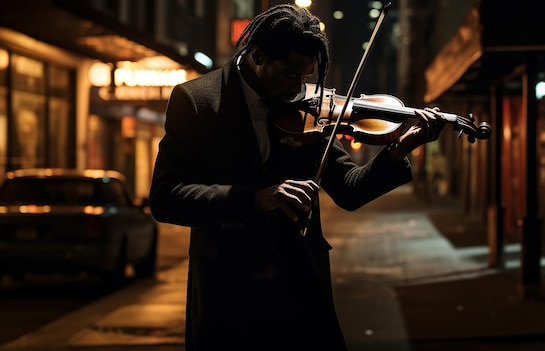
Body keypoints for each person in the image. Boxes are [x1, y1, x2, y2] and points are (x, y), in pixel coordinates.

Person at [149, 4, 444, 350]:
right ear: (258, 55)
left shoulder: (308, 113)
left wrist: (399, 149)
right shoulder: (197, 102)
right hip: (227, 297)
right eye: (289, 75)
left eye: (305, 78)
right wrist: (254, 198)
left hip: (300, 294)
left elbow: (350, 189)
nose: (297, 89)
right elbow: (166, 197)